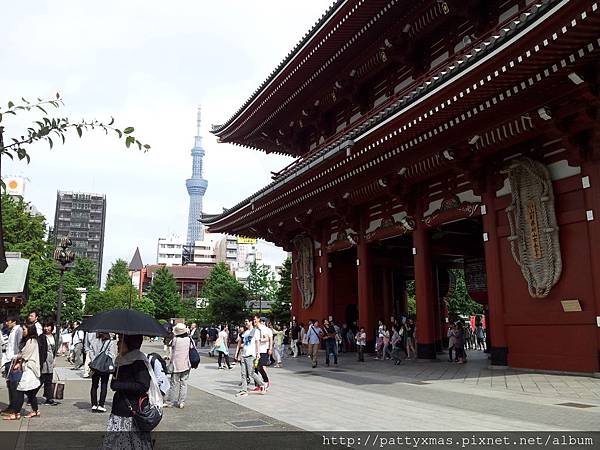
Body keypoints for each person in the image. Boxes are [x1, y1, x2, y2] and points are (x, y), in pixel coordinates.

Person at [102, 334, 151, 450]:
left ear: (130, 344)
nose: (118, 344)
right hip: (118, 409)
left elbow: (143, 386)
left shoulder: (138, 362)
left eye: (121, 341)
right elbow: (114, 384)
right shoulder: (120, 361)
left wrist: (120, 385)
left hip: (131, 411)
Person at [4, 323, 41, 420]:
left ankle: (16, 413)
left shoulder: (32, 341)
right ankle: (35, 411)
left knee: (20, 390)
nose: (23, 331)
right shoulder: (29, 340)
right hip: (28, 369)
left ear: (30, 330)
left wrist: (16, 359)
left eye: (24, 329)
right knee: (30, 393)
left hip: (29, 370)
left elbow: (25, 355)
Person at [235, 319, 266, 397]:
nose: (245, 323)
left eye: (247, 321)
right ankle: (244, 390)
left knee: (251, 373)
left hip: (251, 355)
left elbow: (257, 342)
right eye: (245, 322)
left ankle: (262, 384)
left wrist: (258, 353)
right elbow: (242, 343)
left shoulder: (256, 331)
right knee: (243, 373)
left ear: (251, 322)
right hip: (244, 354)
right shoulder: (245, 332)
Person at [165, 323, 191, 408]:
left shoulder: (175, 340)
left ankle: (170, 402)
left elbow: (170, 345)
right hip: (186, 364)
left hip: (176, 364)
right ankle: (181, 402)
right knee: (184, 383)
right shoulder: (188, 339)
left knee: (174, 383)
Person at [1, 316, 22, 416]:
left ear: (13, 321)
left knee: (14, 385)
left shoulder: (18, 330)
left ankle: (14, 407)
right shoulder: (12, 331)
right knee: (10, 384)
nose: (6, 323)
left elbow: (20, 346)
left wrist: (18, 361)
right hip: (9, 359)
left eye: (8, 321)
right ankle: (11, 405)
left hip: (14, 360)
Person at [90, 333, 115, 413]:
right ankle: (101, 405)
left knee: (94, 385)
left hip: (95, 366)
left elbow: (90, 351)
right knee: (104, 385)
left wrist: (95, 360)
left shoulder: (94, 341)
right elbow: (111, 355)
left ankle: (94, 404)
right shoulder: (110, 342)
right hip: (104, 367)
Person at [40, 322, 59, 406]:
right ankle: (31, 396)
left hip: (50, 360)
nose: (46, 328)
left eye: (48, 326)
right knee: (41, 379)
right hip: (44, 360)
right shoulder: (42, 337)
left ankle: (49, 398)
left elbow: (55, 350)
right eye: (45, 326)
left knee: (49, 380)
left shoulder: (55, 337)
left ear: (52, 327)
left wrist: (55, 359)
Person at [252, 316, 272, 389]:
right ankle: (257, 385)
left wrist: (270, 348)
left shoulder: (263, 329)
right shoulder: (254, 329)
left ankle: (266, 380)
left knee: (260, 366)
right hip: (255, 351)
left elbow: (267, 339)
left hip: (263, 350)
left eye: (255, 319)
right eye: (253, 319)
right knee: (254, 368)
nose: (254, 321)